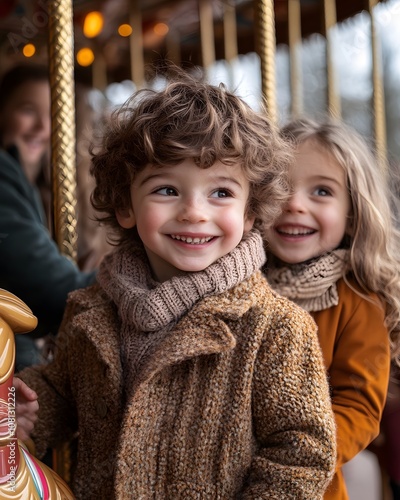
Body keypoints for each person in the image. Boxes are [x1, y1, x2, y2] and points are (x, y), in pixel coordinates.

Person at [15, 73, 337, 498]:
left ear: (251, 213)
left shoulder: (276, 328)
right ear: (127, 206)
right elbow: (63, 392)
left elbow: (303, 451)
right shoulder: (92, 310)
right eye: (167, 189)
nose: (193, 212)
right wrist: (27, 411)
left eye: (220, 193)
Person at [263, 117, 400, 499]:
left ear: (352, 212)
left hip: (302, 481)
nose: (294, 204)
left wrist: (299, 457)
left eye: (321, 191)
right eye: (280, 187)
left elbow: (359, 407)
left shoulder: (356, 299)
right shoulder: (235, 282)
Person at [0, 64, 96, 371]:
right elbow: (54, 293)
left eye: (52, 114)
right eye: (28, 110)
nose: (43, 126)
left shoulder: (30, 185)